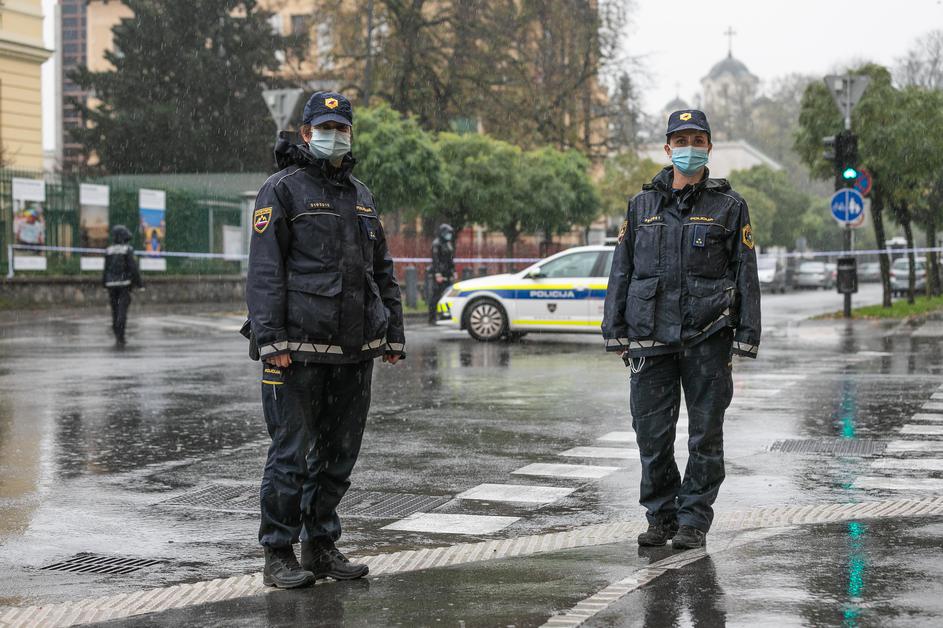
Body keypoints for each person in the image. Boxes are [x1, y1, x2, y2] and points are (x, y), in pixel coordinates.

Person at [245, 91, 406, 589]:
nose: (334, 136)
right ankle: (278, 553)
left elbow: (381, 271)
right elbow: (265, 272)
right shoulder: (282, 190)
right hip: (295, 352)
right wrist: (272, 340)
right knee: (291, 455)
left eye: (342, 128)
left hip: (355, 350)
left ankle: (320, 545)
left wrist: (392, 332)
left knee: (338, 456)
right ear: (306, 133)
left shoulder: (361, 195)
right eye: (325, 128)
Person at [602, 109, 761, 550]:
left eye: (698, 139)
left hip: (708, 336)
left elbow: (745, 270)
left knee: (705, 434)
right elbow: (623, 270)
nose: (689, 148)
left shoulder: (729, 206)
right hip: (649, 338)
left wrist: (747, 333)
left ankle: (693, 520)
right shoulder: (641, 206)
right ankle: (661, 516)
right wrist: (614, 330)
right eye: (681, 140)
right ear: (667, 148)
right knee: (651, 436)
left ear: (709, 147)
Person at [102, 225, 143, 347]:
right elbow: (133, 268)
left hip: (111, 285)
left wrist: (104, 282)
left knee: (114, 310)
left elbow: (105, 269)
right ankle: (121, 335)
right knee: (122, 311)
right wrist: (139, 283)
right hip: (124, 284)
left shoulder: (108, 250)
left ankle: (117, 333)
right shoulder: (127, 249)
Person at [427, 223, 455, 323]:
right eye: (447, 233)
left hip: (447, 273)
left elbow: (450, 259)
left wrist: (452, 271)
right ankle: (432, 317)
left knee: (447, 295)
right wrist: (438, 273)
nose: (449, 235)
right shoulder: (437, 243)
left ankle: (445, 315)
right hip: (440, 274)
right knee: (436, 295)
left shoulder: (448, 243)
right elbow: (436, 260)